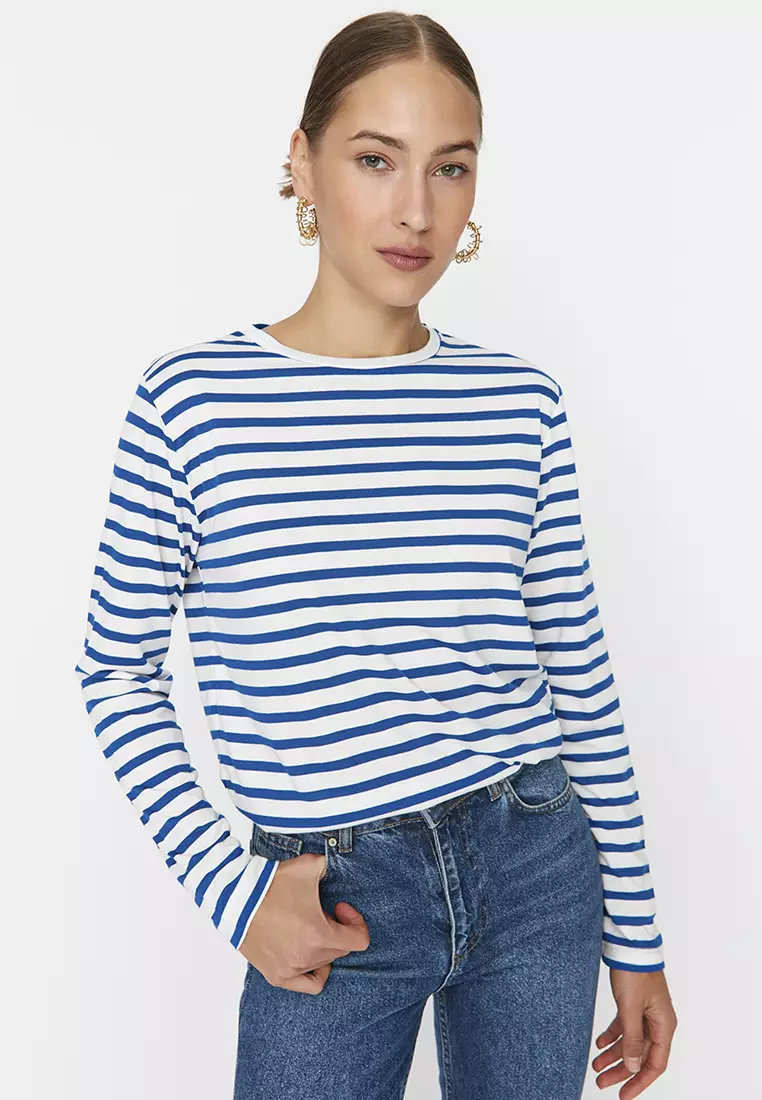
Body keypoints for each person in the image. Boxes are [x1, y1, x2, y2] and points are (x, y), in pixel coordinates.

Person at [73, 11, 677, 1099]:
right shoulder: (192, 402)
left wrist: (636, 937)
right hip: (331, 894)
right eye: (374, 159)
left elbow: (580, 677)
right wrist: (235, 895)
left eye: (451, 167)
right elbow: (114, 674)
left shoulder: (519, 402)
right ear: (302, 163)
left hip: (535, 865)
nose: (416, 210)